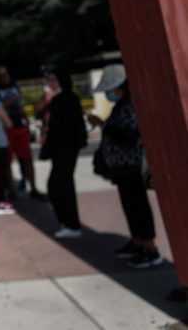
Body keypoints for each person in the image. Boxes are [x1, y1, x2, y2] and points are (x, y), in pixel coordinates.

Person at [89, 64, 163, 268]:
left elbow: (129, 135)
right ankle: (137, 241)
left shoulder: (130, 105)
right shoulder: (122, 105)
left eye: (110, 89)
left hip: (132, 166)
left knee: (138, 207)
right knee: (130, 206)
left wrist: (105, 126)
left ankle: (150, 248)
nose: (108, 94)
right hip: (122, 168)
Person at [41, 69, 87, 238]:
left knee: (60, 185)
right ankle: (68, 222)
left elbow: (61, 127)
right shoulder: (64, 99)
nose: (51, 84)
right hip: (65, 149)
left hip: (65, 148)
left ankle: (70, 223)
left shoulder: (65, 99)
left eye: (54, 80)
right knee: (61, 185)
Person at [0, 66, 45, 200]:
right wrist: (11, 101)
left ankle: (33, 188)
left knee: (27, 158)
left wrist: (26, 121)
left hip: (20, 126)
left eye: (5, 74)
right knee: (8, 162)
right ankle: (12, 191)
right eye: (0, 75)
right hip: (6, 129)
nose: (4, 77)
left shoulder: (14, 86)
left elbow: (21, 106)